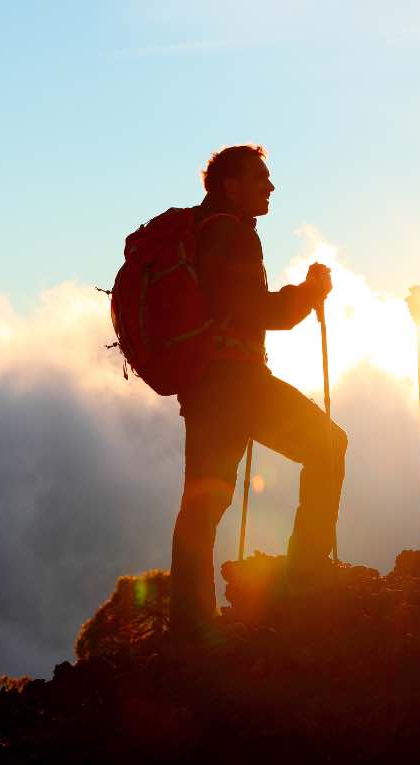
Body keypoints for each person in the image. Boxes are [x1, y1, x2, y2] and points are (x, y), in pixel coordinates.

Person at [170, 144, 346, 640]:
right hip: (237, 382)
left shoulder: (202, 232)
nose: (270, 187)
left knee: (203, 501)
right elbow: (257, 312)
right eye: (260, 178)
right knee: (328, 446)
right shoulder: (232, 235)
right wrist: (310, 294)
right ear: (231, 186)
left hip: (204, 386)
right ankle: (305, 576)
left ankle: (190, 624)